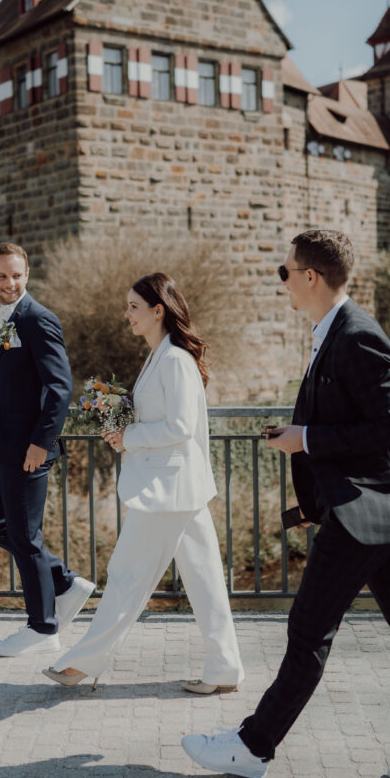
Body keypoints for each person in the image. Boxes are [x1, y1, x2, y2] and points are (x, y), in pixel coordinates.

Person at [182, 230, 390, 778]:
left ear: (310, 277)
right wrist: (308, 466)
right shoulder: (334, 331)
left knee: (308, 631)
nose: (282, 281)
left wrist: (306, 438)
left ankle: (253, 746)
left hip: (365, 512)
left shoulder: (358, 336)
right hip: (374, 511)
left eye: (285, 271)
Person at [42, 272, 244, 692]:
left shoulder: (174, 361)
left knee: (126, 575)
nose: (127, 314)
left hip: (168, 491)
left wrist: (128, 436)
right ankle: (225, 668)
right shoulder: (161, 356)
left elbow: (181, 427)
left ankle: (82, 663)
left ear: (158, 311)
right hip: (178, 488)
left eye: (134, 307)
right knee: (205, 581)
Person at [0, 242, 94, 657]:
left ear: (27, 275)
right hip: (1, 445)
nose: (10, 283)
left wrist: (41, 444)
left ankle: (43, 628)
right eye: (2, 276)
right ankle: (63, 581)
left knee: (26, 537)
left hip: (30, 450)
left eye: (17, 275)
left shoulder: (39, 320)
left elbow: (60, 388)